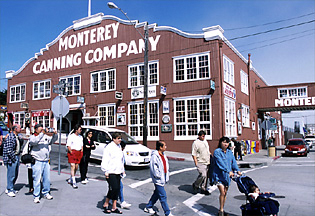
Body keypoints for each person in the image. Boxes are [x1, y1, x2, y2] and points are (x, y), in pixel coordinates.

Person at [212, 137, 242, 216]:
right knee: (222, 192)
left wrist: (237, 170)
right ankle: (221, 211)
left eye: (227, 143)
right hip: (219, 175)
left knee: (225, 193)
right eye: (224, 142)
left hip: (227, 177)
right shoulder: (217, 152)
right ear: (220, 142)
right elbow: (220, 163)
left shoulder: (229, 152)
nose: (225, 144)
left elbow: (233, 162)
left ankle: (221, 209)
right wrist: (228, 171)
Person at [29, 124, 58, 203]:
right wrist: (42, 133)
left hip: (45, 161)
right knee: (37, 179)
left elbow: (52, 141)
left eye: (43, 129)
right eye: (40, 129)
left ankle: (46, 192)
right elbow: (34, 142)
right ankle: (36, 195)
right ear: (36, 130)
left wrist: (55, 134)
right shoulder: (33, 137)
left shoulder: (45, 136)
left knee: (47, 179)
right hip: (37, 160)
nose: (42, 131)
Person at [144, 141, 173, 216]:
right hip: (158, 179)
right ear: (160, 147)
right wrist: (158, 176)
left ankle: (148, 206)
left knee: (157, 193)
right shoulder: (155, 156)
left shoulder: (163, 155)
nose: (166, 147)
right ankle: (167, 213)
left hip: (163, 178)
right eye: (164, 145)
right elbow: (154, 168)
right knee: (163, 196)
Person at [101, 132, 124, 214]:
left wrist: (122, 170)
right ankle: (106, 203)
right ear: (114, 139)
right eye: (118, 138)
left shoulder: (119, 146)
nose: (120, 140)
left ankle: (114, 207)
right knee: (113, 188)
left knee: (117, 189)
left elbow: (120, 159)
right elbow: (105, 159)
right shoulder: (109, 147)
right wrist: (105, 171)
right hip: (110, 171)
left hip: (118, 171)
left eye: (120, 138)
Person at [3, 124, 21, 197]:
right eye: (19, 128)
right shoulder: (10, 136)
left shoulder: (16, 136)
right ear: (15, 129)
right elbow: (9, 150)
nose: (21, 129)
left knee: (15, 174)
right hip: (12, 158)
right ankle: (10, 189)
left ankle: (10, 187)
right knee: (11, 174)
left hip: (16, 156)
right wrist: (14, 158)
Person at [192, 130, 211, 195]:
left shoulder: (205, 141)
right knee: (203, 175)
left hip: (207, 161)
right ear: (199, 136)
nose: (203, 137)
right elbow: (193, 153)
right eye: (202, 136)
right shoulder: (195, 143)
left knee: (206, 176)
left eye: (204, 136)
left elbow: (207, 150)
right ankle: (196, 185)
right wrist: (196, 163)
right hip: (200, 161)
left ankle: (203, 188)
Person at [66, 124, 83, 189]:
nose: (81, 130)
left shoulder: (80, 137)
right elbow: (68, 145)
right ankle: (74, 181)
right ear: (76, 130)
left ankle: (71, 178)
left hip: (78, 152)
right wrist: (71, 152)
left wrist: (81, 151)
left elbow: (81, 146)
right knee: (72, 166)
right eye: (80, 129)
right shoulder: (71, 136)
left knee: (76, 167)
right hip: (73, 152)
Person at [118, 141, 131, 209]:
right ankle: (122, 202)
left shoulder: (121, 153)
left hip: (119, 172)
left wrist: (123, 171)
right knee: (119, 187)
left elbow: (122, 163)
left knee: (117, 187)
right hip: (115, 172)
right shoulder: (117, 153)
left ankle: (111, 199)